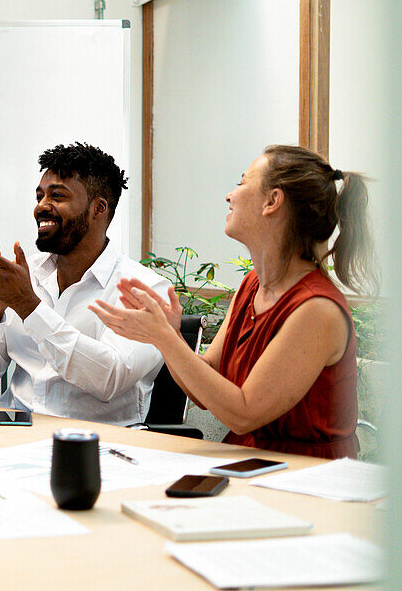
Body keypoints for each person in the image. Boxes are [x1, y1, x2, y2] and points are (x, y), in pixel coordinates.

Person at [91, 145, 373, 458]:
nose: (230, 196)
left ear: (271, 201)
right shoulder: (251, 285)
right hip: (250, 462)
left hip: (307, 477)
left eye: (241, 184)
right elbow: (205, 387)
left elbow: (243, 412)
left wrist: (163, 338)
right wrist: (168, 337)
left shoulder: (317, 309)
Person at [0, 142, 173, 426]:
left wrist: (29, 306)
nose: (41, 206)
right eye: (39, 196)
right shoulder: (25, 275)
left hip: (97, 447)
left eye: (57, 196)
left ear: (98, 209)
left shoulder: (145, 290)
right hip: (12, 434)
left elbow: (109, 378)